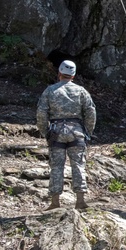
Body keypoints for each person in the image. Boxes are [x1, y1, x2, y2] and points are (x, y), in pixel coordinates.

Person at [36, 60, 96, 211]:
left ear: (59, 73)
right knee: (78, 165)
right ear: (73, 75)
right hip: (77, 131)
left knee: (56, 166)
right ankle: (80, 201)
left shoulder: (50, 91)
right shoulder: (81, 91)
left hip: (56, 131)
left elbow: (41, 112)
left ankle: (55, 202)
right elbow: (90, 111)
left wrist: (44, 131)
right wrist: (88, 131)